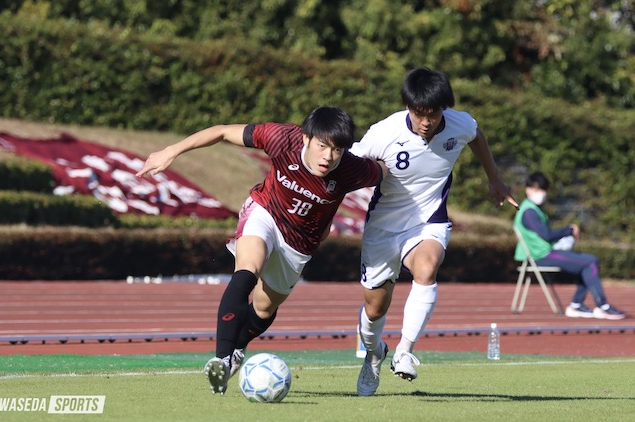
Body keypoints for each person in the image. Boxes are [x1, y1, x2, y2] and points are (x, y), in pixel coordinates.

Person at [136, 106, 386, 395]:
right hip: (265, 212)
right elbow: (221, 131)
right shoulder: (282, 138)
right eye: (322, 146)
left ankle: (238, 347)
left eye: (337, 150)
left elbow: (386, 170)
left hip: (300, 242)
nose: (328, 156)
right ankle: (222, 360)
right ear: (306, 139)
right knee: (246, 270)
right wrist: (172, 150)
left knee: (265, 308)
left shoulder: (352, 169)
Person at [349, 68, 518, 396]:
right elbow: (348, 168)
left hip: (428, 222)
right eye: (419, 113)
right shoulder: (382, 134)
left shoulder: (460, 123)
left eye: (434, 113)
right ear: (408, 107)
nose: (426, 121)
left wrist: (494, 179)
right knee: (374, 309)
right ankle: (374, 354)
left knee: (426, 269)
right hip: (383, 229)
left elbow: (477, 137)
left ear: (445, 109)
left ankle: (404, 350)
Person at [514, 171, 626, 320]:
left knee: (587, 261)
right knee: (590, 261)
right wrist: (569, 230)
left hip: (543, 253)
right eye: (537, 190)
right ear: (528, 190)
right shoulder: (529, 211)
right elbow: (546, 235)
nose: (541, 194)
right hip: (541, 255)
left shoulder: (533, 209)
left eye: (543, 190)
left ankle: (577, 305)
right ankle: (601, 306)